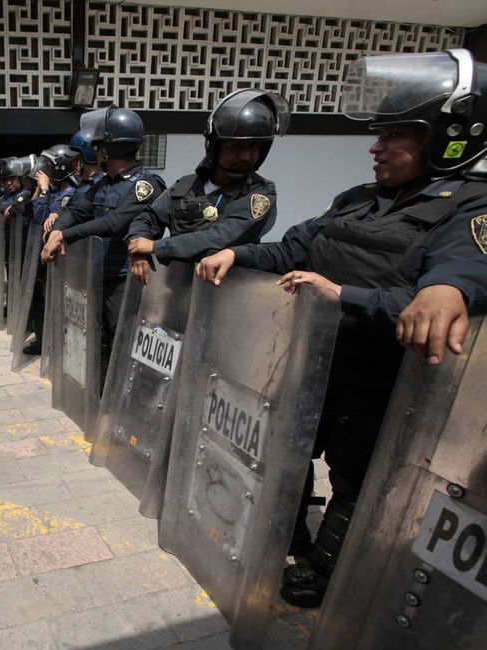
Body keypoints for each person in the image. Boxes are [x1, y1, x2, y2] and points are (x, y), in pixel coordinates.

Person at [195, 49, 487, 608]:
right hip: (316, 364)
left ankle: (330, 573)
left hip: (383, 383)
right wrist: (241, 255)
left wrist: (439, 289)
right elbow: (292, 248)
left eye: (396, 135)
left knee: (358, 482)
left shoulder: (472, 208)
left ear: (451, 136)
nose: (375, 148)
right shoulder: (357, 199)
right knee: (286, 452)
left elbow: (463, 273)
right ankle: (286, 531)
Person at [41, 107, 166, 364]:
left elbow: (113, 223)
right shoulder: (102, 184)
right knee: (94, 339)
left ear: (110, 149)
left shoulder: (146, 184)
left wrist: (65, 236)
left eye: (99, 148)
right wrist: (57, 230)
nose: (95, 153)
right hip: (95, 274)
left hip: (124, 281)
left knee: (123, 342)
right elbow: (76, 211)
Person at [126, 89, 289, 285]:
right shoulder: (185, 186)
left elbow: (220, 238)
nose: (246, 157)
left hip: (225, 295)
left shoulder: (260, 194)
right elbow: (148, 217)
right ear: (215, 146)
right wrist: (138, 249)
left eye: (254, 147)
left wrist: (155, 246)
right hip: (175, 293)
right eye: (235, 147)